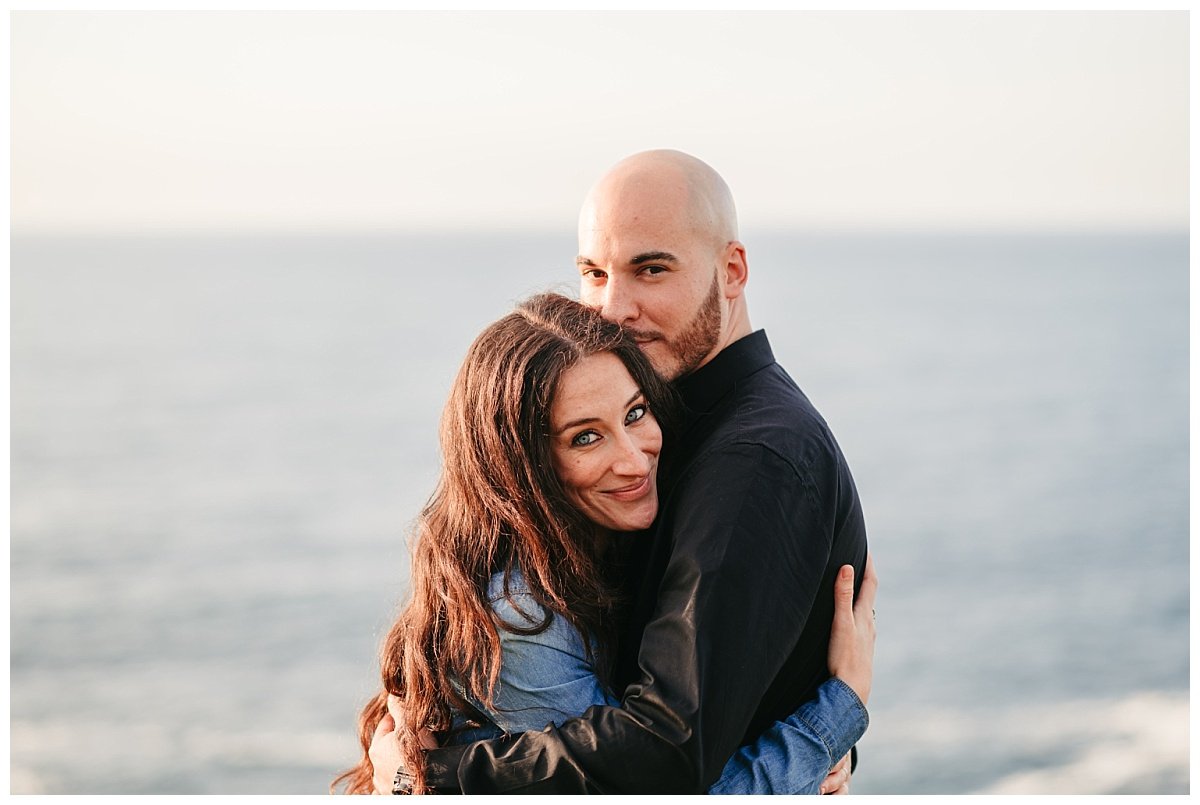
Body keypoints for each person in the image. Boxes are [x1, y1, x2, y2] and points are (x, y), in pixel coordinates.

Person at [371, 150, 871, 794]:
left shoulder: (751, 460)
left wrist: (437, 778)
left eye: (650, 269)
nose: (612, 308)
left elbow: (669, 753)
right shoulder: (675, 427)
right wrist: (831, 723)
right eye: (594, 272)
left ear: (732, 270)